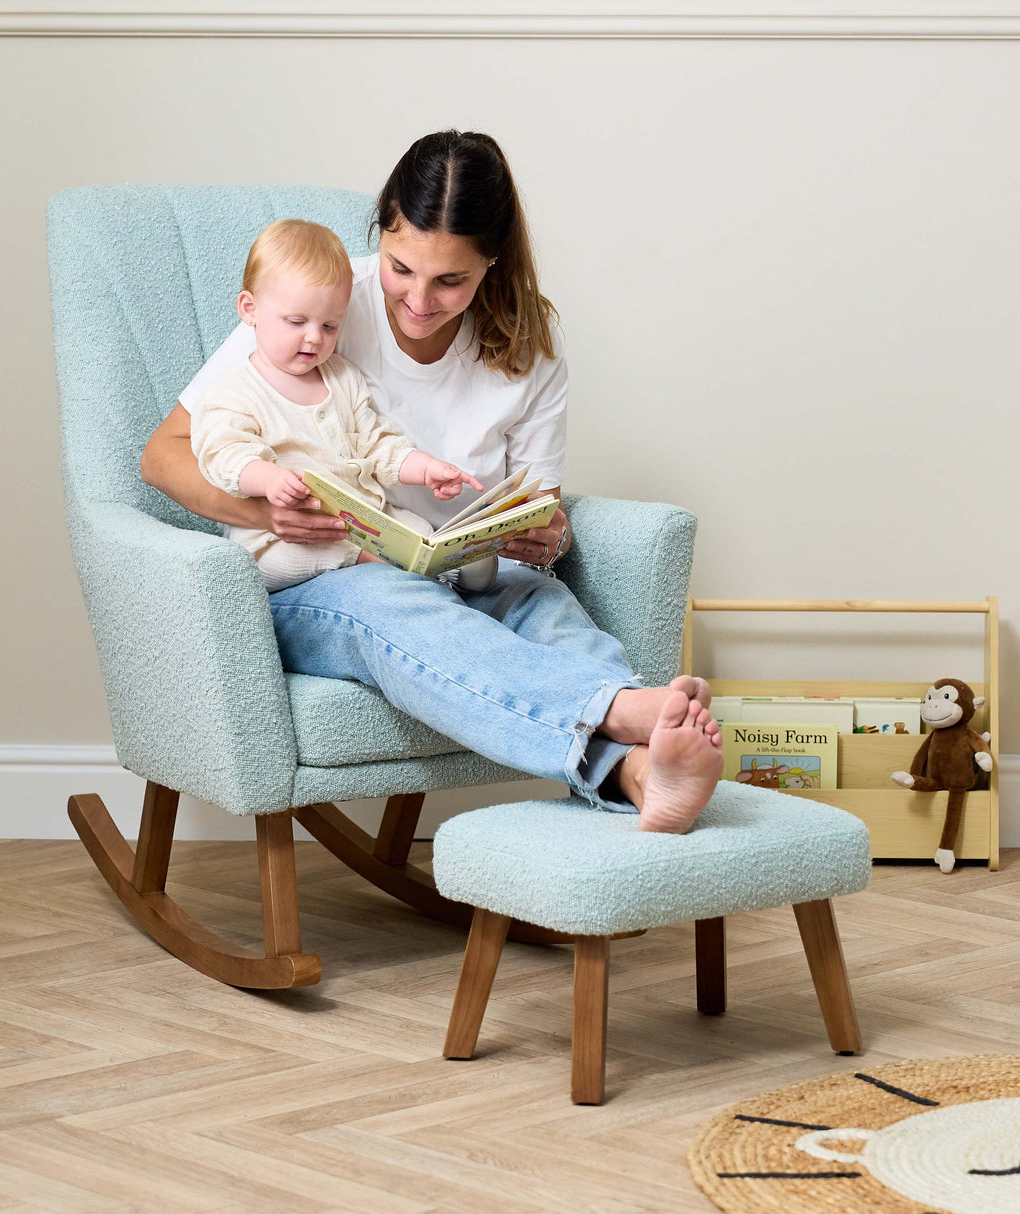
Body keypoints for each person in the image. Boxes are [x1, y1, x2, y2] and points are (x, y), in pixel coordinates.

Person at [142, 129, 723, 832]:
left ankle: (636, 771)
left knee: (543, 601)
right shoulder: (319, 304)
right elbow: (165, 454)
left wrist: (542, 531)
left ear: (492, 265)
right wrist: (270, 514)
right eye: (400, 267)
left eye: (451, 280)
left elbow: (533, 500)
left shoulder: (528, 341)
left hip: (455, 566)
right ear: (382, 229)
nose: (418, 300)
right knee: (389, 600)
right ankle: (621, 705)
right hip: (324, 577)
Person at [191, 218, 482, 592]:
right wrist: (268, 478)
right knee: (279, 558)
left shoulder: (342, 377)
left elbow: (377, 442)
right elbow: (222, 454)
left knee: (419, 530)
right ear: (250, 308)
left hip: (364, 519)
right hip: (282, 539)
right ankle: (383, 564)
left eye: (330, 326)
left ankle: (452, 567)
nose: (314, 338)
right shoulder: (234, 391)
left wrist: (425, 468)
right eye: (296, 322)